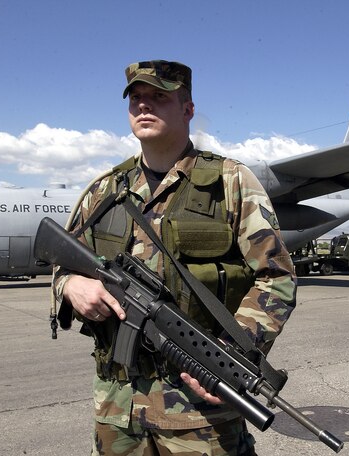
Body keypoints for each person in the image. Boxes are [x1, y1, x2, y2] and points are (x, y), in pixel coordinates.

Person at [51, 60, 297, 456]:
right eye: (136, 98)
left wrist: (234, 352)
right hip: (117, 408)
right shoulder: (104, 190)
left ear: (187, 109)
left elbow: (278, 276)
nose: (143, 106)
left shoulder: (231, 182)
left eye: (158, 97)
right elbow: (62, 263)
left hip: (200, 412)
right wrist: (71, 286)